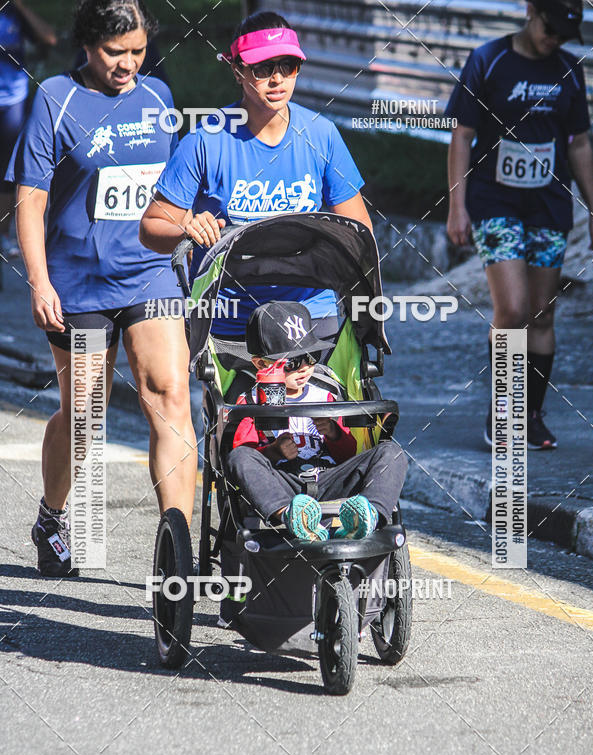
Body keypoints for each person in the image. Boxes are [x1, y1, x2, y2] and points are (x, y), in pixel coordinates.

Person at [7, 0, 196, 577]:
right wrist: (39, 282)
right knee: (85, 413)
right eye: (116, 52)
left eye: (137, 51)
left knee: (169, 395)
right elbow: (31, 200)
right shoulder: (56, 98)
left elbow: (170, 184)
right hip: (80, 283)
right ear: (87, 45)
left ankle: (176, 550)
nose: (128, 64)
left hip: (150, 272)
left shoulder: (157, 96)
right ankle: (52, 515)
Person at [139, 9, 373, 343]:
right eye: (262, 69)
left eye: (287, 66)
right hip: (229, 321)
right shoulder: (205, 140)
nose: (277, 79)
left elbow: (360, 233)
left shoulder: (322, 135)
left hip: (312, 315)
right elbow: (150, 229)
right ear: (237, 70)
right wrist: (186, 230)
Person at [445, 0, 593, 450]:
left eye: (564, 35)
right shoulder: (488, 60)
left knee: (543, 312)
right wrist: (457, 206)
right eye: (549, 28)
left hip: (549, 206)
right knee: (512, 310)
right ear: (531, 11)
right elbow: (461, 137)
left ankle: (531, 416)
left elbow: (579, 144)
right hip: (495, 202)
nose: (554, 40)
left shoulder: (569, 69)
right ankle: (503, 414)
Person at [227, 302, 408, 542]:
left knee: (391, 452)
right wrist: (273, 451)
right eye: (291, 363)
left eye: (310, 357)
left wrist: (334, 434)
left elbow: (349, 454)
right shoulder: (250, 400)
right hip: (282, 481)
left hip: (329, 474)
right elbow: (244, 456)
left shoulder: (327, 393)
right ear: (262, 364)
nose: (303, 368)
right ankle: (291, 515)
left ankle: (367, 514)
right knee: (239, 457)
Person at [0, 1, 56, 260]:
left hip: (12, 100)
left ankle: (3, 235)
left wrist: (20, 7)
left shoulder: (16, 13)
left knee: (7, 174)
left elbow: (50, 38)